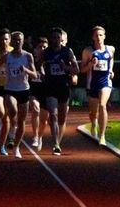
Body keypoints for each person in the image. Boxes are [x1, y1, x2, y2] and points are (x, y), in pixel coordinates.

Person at [0, 31, 37, 158]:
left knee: (22, 121)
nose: (18, 42)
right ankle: (12, 129)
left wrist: (26, 70)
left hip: (23, 89)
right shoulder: (7, 57)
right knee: (12, 111)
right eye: (15, 40)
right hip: (10, 89)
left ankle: (16, 147)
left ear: (23, 41)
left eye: (20, 40)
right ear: (12, 41)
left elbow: (34, 75)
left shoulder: (28, 56)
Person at [41, 27, 79, 155]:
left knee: (62, 118)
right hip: (50, 86)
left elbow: (77, 70)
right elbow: (39, 65)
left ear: (61, 39)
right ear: (51, 39)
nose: (56, 40)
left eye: (58, 37)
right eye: (54, 38)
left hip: (63, 86)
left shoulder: (67, 51)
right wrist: (41, 72)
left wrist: (66, 67)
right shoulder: (46, 52)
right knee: (53, 114)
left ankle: (58, 142)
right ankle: (56, 144)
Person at [81, 26, 115, 146]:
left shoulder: (110, 49)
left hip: (105, 82)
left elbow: (111, 60)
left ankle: (102, 135)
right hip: (92, 84)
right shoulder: (88, 51)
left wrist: (111, 70)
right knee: (93, 112)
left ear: (104, 36)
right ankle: (94, 123)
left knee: (102, 105)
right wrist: (91, 64)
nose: (98, 37)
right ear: (93, 37)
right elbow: (82, 70)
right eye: (96, 35)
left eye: (101, 35)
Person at [29, 36, 48, 150]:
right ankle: (35, 136)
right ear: (35, 49)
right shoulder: (30, 60)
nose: (42, 49)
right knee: (35, 109)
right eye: (40, 47)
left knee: (44, 120)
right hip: (34, 91)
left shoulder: (49, 62)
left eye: (44, 47)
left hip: (46, 91)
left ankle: (40, 136)